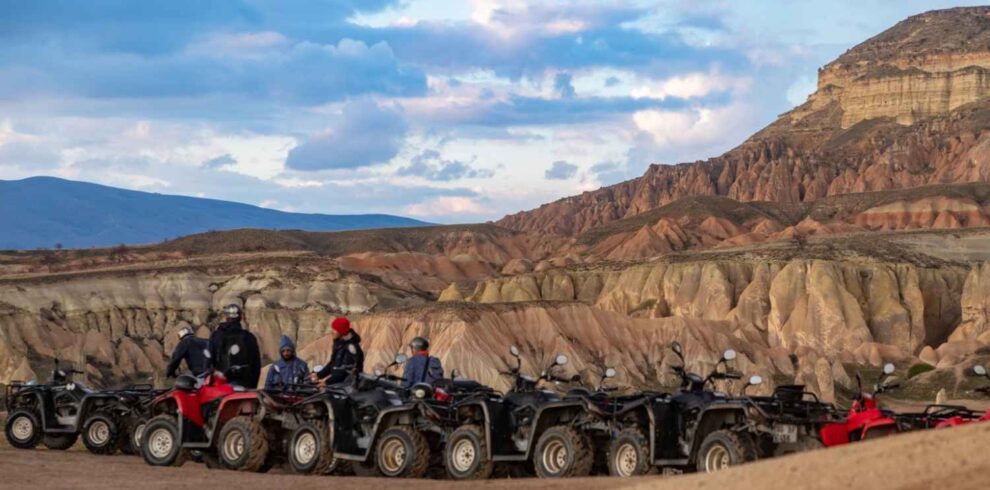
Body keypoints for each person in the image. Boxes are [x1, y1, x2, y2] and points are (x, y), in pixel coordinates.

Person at [208, 304, 261, 388]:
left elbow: (209, 360)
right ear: (240, 318)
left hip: (221, 383)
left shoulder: (217, 335)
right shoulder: (249, 337)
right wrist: (253, 386)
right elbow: (256, 364)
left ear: (226, 317)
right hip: (244, 383)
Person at [310, 316, 364, 386]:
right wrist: (318, 375)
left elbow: (345, 372)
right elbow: (332, 364)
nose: (332, 332)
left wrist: (327, 382)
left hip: (347, 387)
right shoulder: (339, 345)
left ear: (341, 331)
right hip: (339, 385)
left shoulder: (351, 347)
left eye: (335, 329)